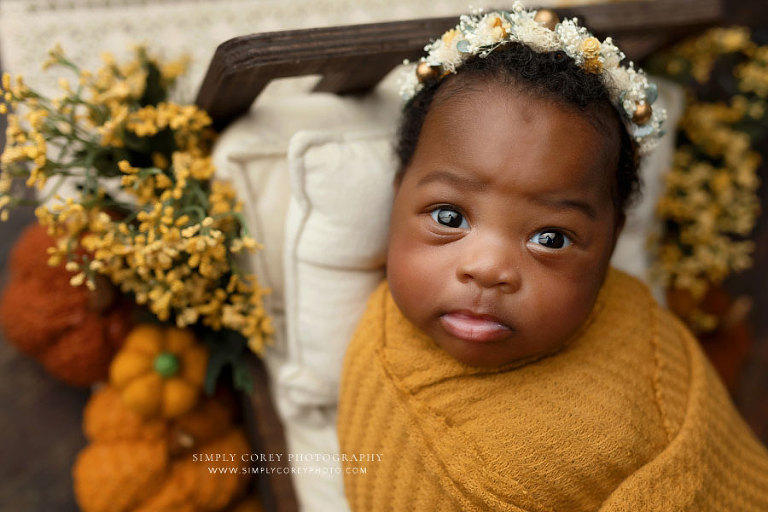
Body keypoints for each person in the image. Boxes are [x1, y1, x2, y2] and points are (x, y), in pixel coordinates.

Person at [337, 4, 768, 511]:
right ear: (396, 195)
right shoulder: (381, 354)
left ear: (609, 244)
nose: (487, 268)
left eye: (551, 239)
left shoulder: (639, 328)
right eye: (449, 218)